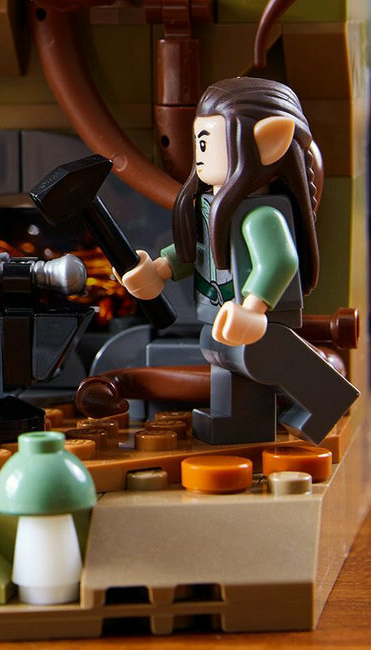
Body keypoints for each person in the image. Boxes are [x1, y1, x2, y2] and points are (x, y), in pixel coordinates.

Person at [122, 77, 359, 444]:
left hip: (256, 322)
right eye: (198, 142)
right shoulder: (211, 207)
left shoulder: (261, 215)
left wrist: (254, 307)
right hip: (222, 319)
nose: (200, 153)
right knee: (222, 352)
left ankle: (325, 399)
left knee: (256, 355)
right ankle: (235, 420)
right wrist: (158, 270)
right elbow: (198, 252)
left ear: (269, 142)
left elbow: (279, 261)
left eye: (207, 142)